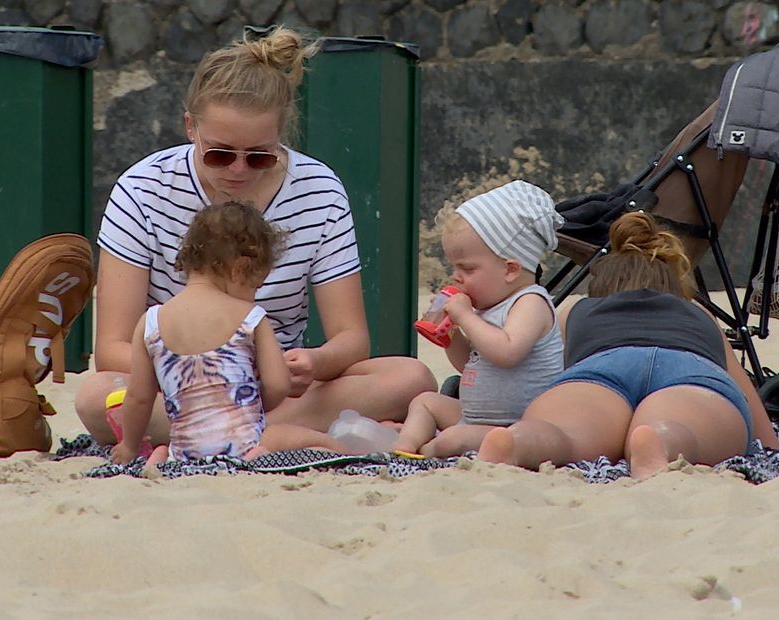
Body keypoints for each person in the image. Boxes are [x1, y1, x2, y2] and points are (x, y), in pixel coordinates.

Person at [76, 27, 435, 446]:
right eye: (220, 153)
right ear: (190, 127)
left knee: (411, 376)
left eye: (260, 156)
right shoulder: (143, 188)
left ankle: (221, 433)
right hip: (179, 381)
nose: (239, 170)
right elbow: (112, 348)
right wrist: (218, 368)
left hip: (278, 383)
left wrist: (314, 362)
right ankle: (277, 432)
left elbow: (351, 339)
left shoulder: (318, 189)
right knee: (95, 395)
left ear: (282, 136)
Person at [477, 211, 779, 479]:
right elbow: (758, 420)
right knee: (682, 430)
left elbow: (538, 367)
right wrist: (770, 441)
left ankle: (519, 441)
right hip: (688, 369)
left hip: (601, 366)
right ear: (674, 286)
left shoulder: (576, 311)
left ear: (598, 291)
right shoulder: (698, 312)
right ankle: (661, 440)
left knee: (564, 435)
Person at [110, 202, 348, 465]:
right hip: (245, 446)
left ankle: (161, 457)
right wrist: (256, 406)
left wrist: (129, 447)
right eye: (256, 285)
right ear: (239, 269)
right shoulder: (250, 317)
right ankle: (346, 451)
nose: (255, 293)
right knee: (314, 442)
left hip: (186, 453)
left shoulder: (150, 322)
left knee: (167, 449)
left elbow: (139, 397)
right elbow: (278, 384)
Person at [392, 181, 565, 457]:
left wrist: (466, 317)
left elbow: (507, 353)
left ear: (510, 269)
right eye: (454, 267)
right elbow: (470, 366)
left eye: (467, 268)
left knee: (453, 440)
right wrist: (451, 336)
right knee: (425, 402)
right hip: (474, 417)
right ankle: (404, 445)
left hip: (515, 426)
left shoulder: (530, 303)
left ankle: (426, 451)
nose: (456, 277)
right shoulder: (486, 308)